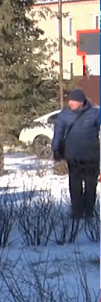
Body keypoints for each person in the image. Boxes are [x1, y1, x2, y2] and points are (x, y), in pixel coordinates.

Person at [52, 88, 101, 219]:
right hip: (73, 156)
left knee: (91, 185)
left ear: (81, 102)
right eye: (70, 101)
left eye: (75, 101)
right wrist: (55, 149)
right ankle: (76, 211)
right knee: (75, 185)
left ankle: (89, 211)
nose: (71, 103)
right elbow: (58, 133)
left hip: (92, 156)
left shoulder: (95, 113)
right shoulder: (64, 115)